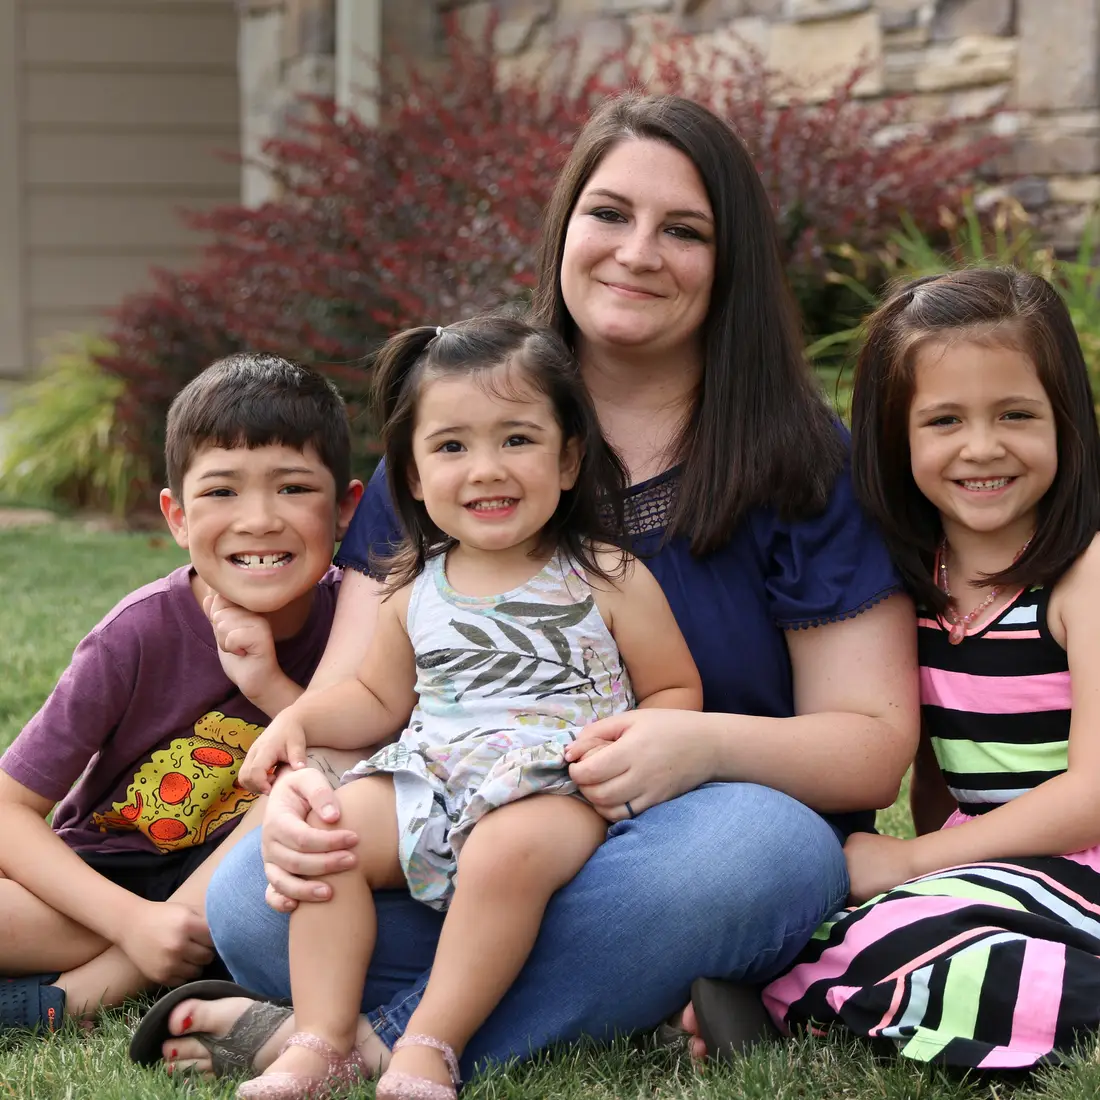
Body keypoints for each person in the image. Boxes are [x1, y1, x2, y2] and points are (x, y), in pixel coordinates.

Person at [139, 91, 919, 1081]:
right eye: (609, 213)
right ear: (563, 229)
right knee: (255, 892)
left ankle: (364, 1040)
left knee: (765, 851)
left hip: (677, 849)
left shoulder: (805, 465)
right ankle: (626, 1005)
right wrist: (305, 788)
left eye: (683, 230)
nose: (637, 251)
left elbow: (871, 751)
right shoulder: (446, 445)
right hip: (453, 828)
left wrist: (701, 743)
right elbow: (358, 703)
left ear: (731, 265)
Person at [231, 316, 702, 1099]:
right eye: (451, 446)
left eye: (517, 439)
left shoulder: (607, 577)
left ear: (568, 459)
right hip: (433, 776)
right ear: (413, 476)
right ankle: (323, 1038)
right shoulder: (414, 589)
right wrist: (299, 722)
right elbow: (377, 698)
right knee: (327, 837)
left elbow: (675, 689)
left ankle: (430, 1042)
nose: (487, 469)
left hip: (555, 784)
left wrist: (640, 745)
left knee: (502, 853)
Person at [764, 267, 1100, 1067]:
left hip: (1083, 866)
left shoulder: (1083, 576)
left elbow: (1093, 794)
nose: (982, 447)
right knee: (813, 930)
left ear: (1066, 420)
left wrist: (915, 862)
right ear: (895, 438)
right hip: (992, 866)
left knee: (904, 934)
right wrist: (926, 867)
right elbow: (935, 776)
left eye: (1016, 414)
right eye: (944, 420)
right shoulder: (919, 584)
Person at [0, 353, 361, 1033]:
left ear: (345, 508)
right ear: (177, 517)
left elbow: (364, 762)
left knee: (304, 783)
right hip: (106, 877)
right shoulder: (137, 633)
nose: (258, 519)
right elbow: (9, 809)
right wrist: (132, 922)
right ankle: (154, 951)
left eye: (292, 488)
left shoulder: (363, 621)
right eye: (222, 491)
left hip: (253, 885)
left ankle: (82, 996)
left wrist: (269, 686)